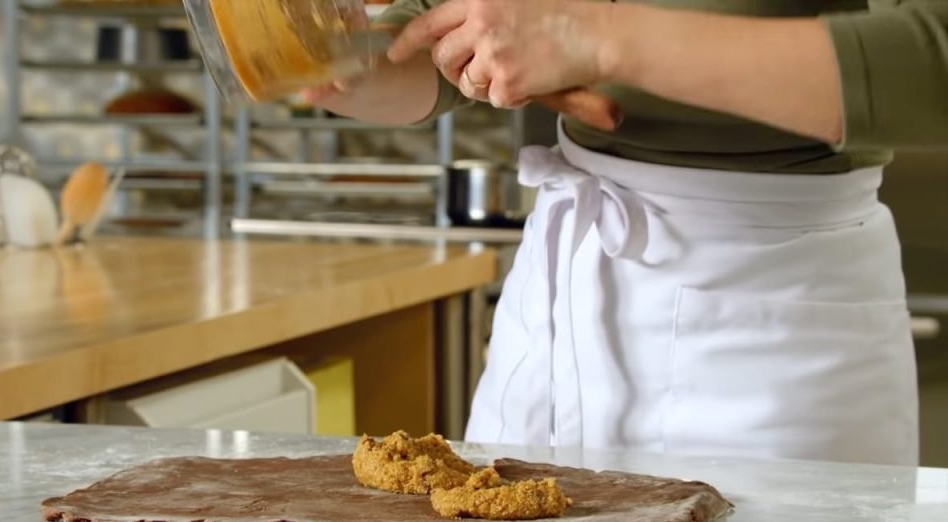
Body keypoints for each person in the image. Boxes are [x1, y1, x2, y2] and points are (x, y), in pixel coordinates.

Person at [305, 0, 948, 466]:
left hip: (771, 320)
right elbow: (465, 31)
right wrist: (360, 63)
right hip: (558, 308)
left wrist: (604, 37)